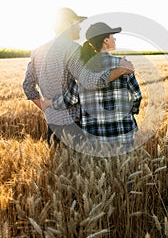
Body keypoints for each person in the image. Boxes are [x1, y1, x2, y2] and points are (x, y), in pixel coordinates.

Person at [22, 8, 134, 146]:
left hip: (52, 124)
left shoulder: (37, 51)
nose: (80, 27)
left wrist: (46, 107)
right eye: (77, 23)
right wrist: (122, 70)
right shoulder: (72, 49)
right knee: (78, 166)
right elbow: (90, 82)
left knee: (57, 166)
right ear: (67, 24)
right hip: (74, 125)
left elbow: (27, 86)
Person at [50, 22, 142, 153]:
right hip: (123, 131)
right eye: (112, 36)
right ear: (105, 40)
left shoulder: (83, 68)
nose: (114, 39)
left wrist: (50, 103)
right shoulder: (124, 65)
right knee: (123, 171)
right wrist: (131, 111)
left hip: (94, 135)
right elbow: (137, 95)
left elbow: (71, 99)